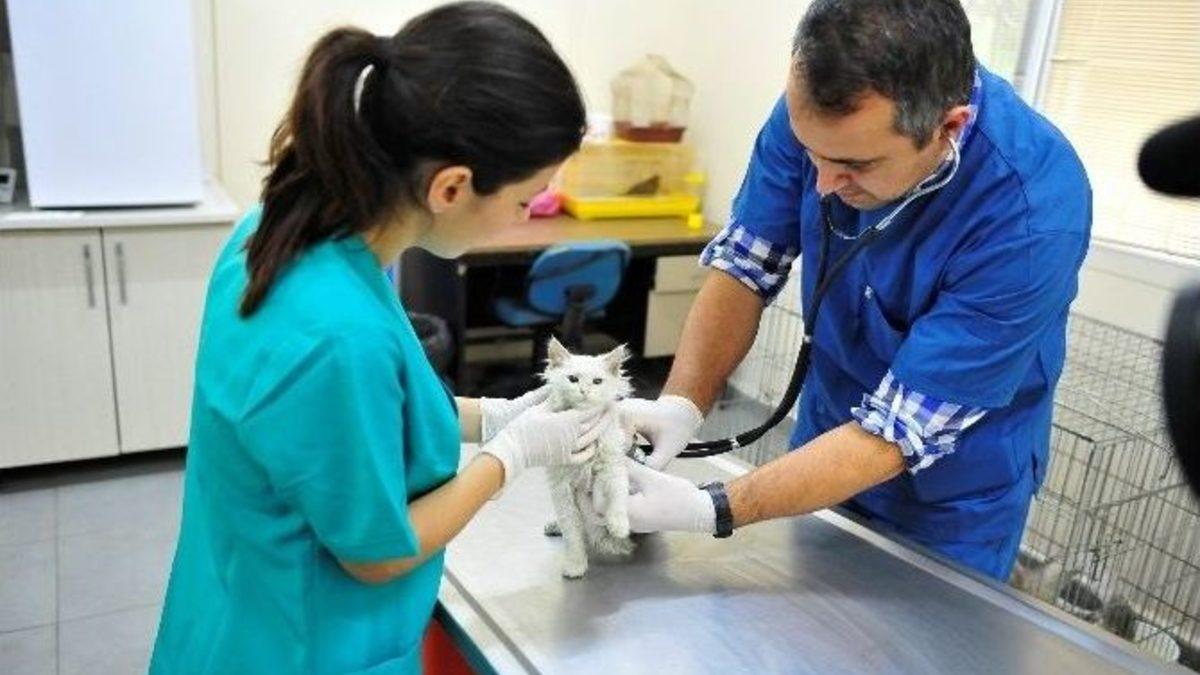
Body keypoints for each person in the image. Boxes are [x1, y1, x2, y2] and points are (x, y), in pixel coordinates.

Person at [150, 3, 604, 672]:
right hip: (300, 648)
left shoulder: (281, 230)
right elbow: (378, 554)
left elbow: (355, 418)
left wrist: (501, 413)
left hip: (230, 606)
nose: (522, 218)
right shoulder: (338, 335)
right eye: (523, 200)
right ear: (452, 186)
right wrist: (509, 456)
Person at [616, 0, 1092, 581]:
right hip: (822, 444)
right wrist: (680, 404)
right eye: (810, 154)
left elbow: (901, 430)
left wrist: (710, 507)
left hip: (951, 499)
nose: (821, 182)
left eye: (853, 166)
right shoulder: (822, 119)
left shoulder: (1031, 212)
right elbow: (744, 266)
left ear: (948, 129)